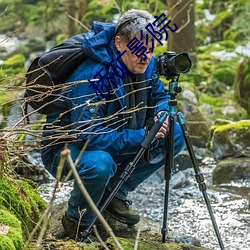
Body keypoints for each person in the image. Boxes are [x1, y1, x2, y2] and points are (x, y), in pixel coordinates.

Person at [41, 9, 185, 241]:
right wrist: (142, 136)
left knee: (175, 132)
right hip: (67, 150)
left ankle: (115, 193)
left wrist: (161, 114)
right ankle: (76, 221)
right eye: (139, 48)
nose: (146, 56)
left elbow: (159, 96)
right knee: (100, 164)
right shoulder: (93, 76)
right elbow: (87, 135)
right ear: (119, 43)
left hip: (117, 136)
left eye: (151, 49)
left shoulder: (144, 62)